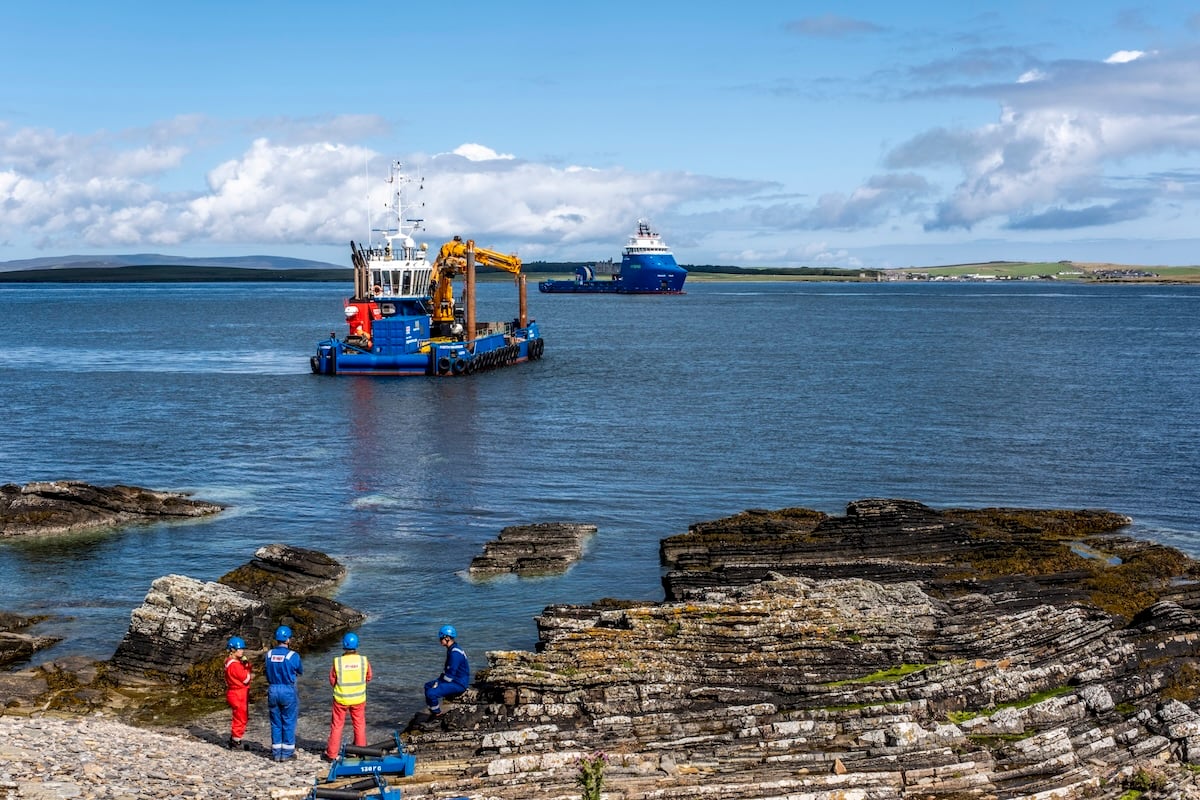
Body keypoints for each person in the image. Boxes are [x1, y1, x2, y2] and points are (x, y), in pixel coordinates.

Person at [324, 631, 372, 761]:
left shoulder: (337, 662)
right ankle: (360, 751)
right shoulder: (363, 661)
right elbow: (368, 677)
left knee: (337, 725)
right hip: (358, 699)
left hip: (341, 699)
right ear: (356, 645)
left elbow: (332, 680)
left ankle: (332, 754)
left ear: (343, 645)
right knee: (359, 725)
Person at [264, 625, 303, 762]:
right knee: (288, 720)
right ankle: (286, 753)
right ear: (287, 640)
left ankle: (276, 752)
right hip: (287, 689)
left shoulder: (269, 654)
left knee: (275, 721)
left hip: (273, 689)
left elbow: (267, 671)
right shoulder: (293, 656)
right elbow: (300, 670)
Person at [423, 624, 469, 720]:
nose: (440, 641)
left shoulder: (455, 653)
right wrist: (438, 681)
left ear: (447, 638)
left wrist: (438, 683)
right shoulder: (452, 649)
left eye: (441, 638)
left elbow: (450, 675)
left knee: (431, 693)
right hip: (453, 680)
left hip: (458, 683)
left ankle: (437, 714)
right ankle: (433, 709)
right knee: (427, 686)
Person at [223, 636, 252, 751]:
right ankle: (236, 742)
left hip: (233, 691)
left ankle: (234, 739)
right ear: (233, 650)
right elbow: (246, 679)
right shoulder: (235, 665)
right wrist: (247, 667)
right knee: (241, 718)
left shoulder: (228, 662)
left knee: (237, 716)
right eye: (240, 649)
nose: (242, 651)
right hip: (238, 693)